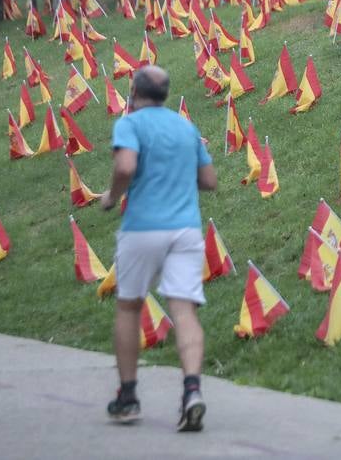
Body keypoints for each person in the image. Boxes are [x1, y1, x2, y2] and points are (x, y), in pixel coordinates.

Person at [101, 65, 218, 432]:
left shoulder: (130, 124)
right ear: (166, 94)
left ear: (133, 92)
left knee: (129, 306)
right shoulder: (186, 127)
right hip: (185, 230)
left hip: (142, 229)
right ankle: (192, 391)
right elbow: (209, 180)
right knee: (184, 310)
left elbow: (125, 166)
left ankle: (128, 396)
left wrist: (111, 196)